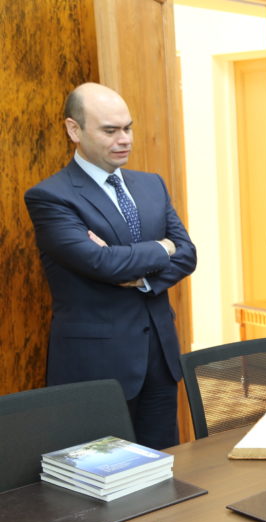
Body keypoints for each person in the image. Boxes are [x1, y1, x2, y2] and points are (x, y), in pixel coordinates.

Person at [24, 83, 197, 449]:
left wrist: (141, 277)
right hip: (96, 368)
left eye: (128, 128)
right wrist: (161, 247)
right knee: (101, 473)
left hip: (160, 361)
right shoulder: (51, 197)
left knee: (164, 466)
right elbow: (102, 264)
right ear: (74, 130)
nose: (124, 139)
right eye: (110, 130)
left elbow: (187, 254)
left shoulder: (151, 185)